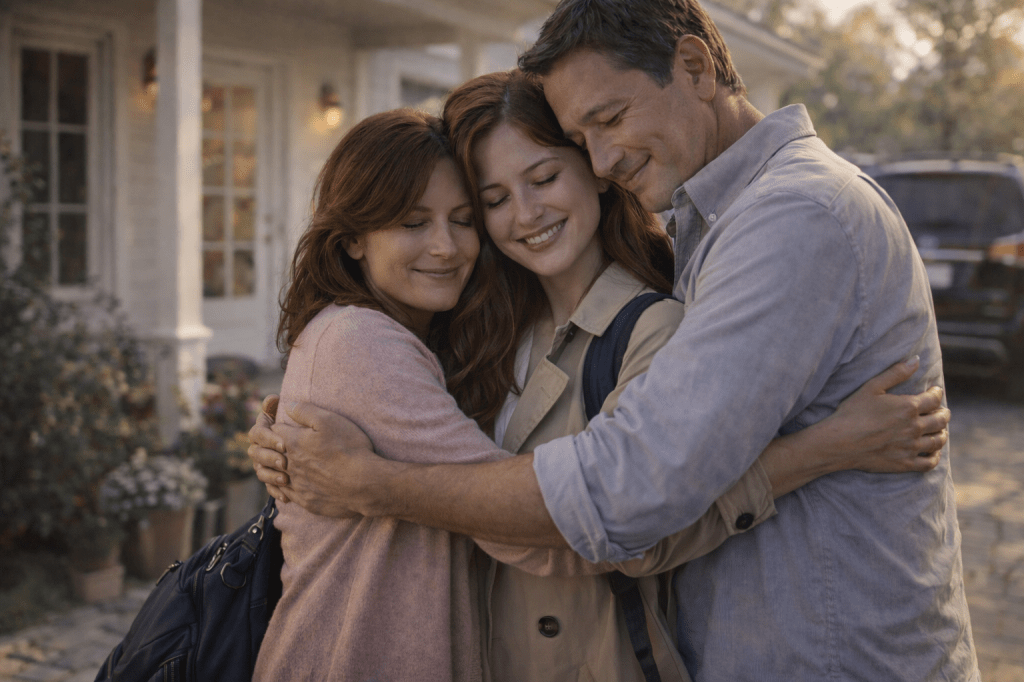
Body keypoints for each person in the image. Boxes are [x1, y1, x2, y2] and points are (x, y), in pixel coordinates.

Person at [251, 62, 957, 682]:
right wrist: (286, 430)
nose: (526, 213)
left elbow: (632, 524)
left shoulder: (652, 327)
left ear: (592, 169)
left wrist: (816, 452)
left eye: (543, 178)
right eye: (493, 201)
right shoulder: (479, 328)